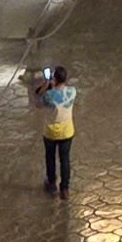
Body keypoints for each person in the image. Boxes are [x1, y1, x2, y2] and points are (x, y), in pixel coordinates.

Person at [32, 64, 77, 194]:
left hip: (50, 133)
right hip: (67, 131)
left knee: (50, 158)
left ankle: (51, 183)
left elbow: (37, 103)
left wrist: (45, 87)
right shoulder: (72, 91)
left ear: (54, 79)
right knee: (65, 159)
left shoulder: (49, 96)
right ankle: (65, 188)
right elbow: (62, 95)